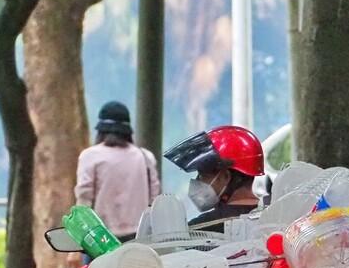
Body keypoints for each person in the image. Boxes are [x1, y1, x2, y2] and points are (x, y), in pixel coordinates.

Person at [74, 101, 161, 239]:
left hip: (102, 239)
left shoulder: (90, 156)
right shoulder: (145, 156)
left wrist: (79, 239)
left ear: (101, 129)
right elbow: (155, 198)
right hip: (140, 238)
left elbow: (84, 200)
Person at [164, 125, 265, 232]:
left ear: (225, 176)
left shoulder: (202, 227)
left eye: (202, 175)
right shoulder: (274, 216)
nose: (197, 181)